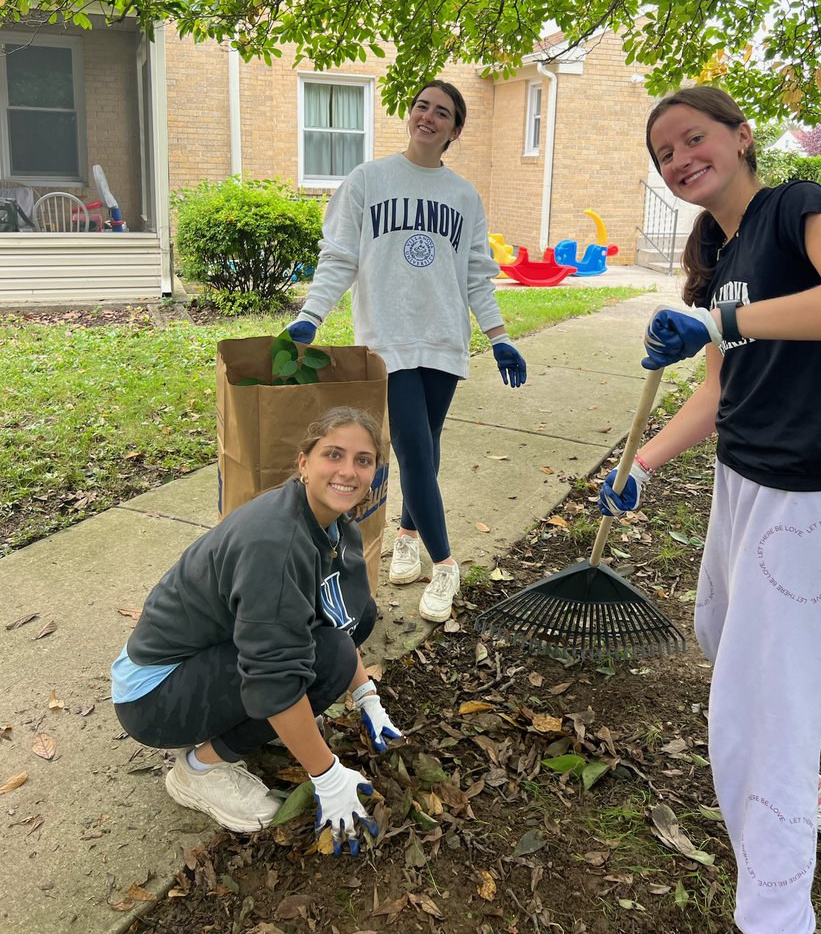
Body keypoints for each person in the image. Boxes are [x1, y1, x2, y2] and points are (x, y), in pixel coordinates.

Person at [599, 86, 821, 934]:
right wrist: (643, 466)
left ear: (741, 136)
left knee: (758, 710)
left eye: (693, 138)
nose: (679, 159)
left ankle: (775, 914)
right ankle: (806, 782)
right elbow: (717, 393)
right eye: (664, 154)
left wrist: (724, 320)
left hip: (813, 503)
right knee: (723, 635)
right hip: (747, 486)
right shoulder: (722, 254)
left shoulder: (795, 208)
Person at [285, 80, 527, 624]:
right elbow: (340, 256)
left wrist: (500, 337)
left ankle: (409, 535)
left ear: (455, 130)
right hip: (387, 339)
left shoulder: (463, 195)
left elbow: (476, 276)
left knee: (428, 447)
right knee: (414, 450)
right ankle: (445, 565)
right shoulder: (368, 181)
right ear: (410, 114)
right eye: (422, 106)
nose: (428, 116)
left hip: (443, 337)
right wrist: (311, 315)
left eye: (442, 112)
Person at [112, 407, 401, 853]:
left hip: (203, 656)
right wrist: (327, 775)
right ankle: (198, 770)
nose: (348, 471)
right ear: (304, 462)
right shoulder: (275, 543)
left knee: (358, 616)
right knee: (327, 661)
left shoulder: (331, 524)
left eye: (363, 460)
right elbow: (275, 677)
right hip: (154, 697)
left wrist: (366, 695)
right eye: (334, 454)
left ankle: (264, 724)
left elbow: (337, 617)